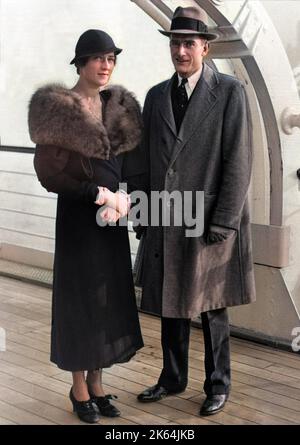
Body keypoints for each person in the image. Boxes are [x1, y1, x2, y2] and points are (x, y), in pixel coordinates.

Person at [136, 6, 256, 416]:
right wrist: (142, 214)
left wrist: (224, 220)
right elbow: (140, 161)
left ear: (205, 47)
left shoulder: (229, 93)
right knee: (172, 300)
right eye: (175, 43)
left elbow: (238, 161)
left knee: (211, 305)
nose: (181, 51)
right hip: (167, 216)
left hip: (209, 219)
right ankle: (172, 378)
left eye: (189, 43)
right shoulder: (155, 96)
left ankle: (218, 384)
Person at [28, 29, 145, 423]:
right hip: (80, 218)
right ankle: (78, 388)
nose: (106, 65)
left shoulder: (119, 106)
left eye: (111, 58)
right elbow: (49, 173)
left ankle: (97, 384)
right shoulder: (59, 108)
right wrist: (97, 194)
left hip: (111, 222)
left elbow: (131, 162)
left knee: (105, 299)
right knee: (79, 300)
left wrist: (125, 197)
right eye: (98, 58)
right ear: (80, 63)